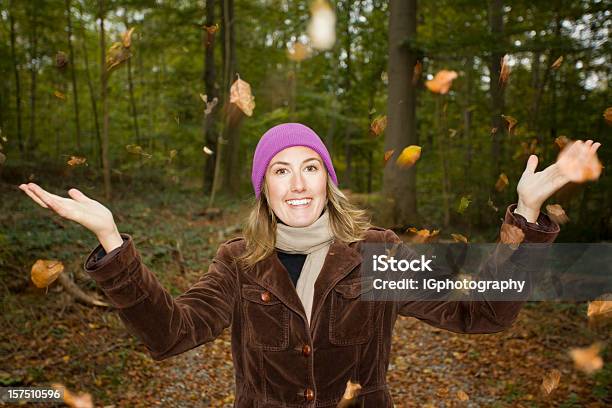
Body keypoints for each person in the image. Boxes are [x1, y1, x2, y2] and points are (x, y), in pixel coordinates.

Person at [19, 123, 601, 407]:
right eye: (280, 169)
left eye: (310, 167)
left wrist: (526, 214)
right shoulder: (238, 263)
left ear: (328, 180)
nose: (297, 183)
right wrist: (111, 238)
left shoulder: (376, 254)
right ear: (263, 189)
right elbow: (171, 335)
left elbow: (482, 314)